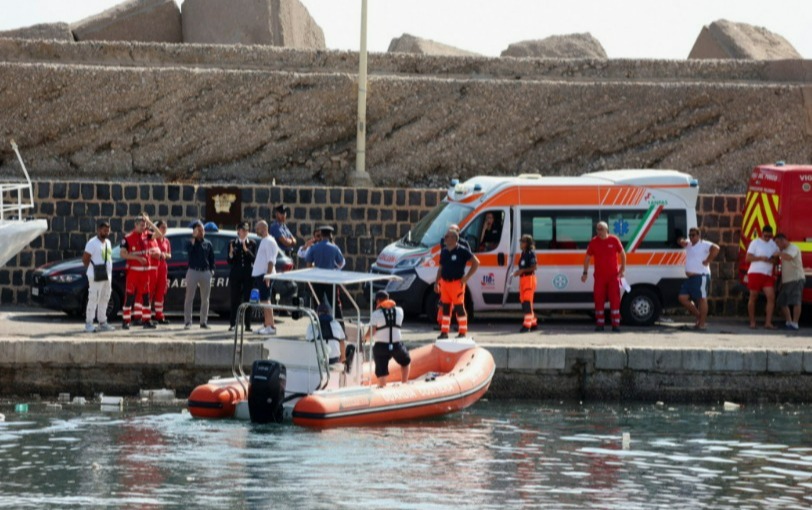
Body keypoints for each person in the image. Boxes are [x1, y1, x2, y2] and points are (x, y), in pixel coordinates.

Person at [581, 221, 626, 332]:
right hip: (600, 277)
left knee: (615, 300)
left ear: (607, 230)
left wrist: (623, 268)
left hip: (613, 277)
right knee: (598, 300)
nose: (599, 231)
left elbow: (622, 254)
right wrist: (585, 272)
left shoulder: (614, 240)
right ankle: (600, 324)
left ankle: (616, 325)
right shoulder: (594, 242)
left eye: (601, 229)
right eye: (597, 229)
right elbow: (587, 258)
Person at [435, 229, 480, 339]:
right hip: (445, 283)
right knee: (445, 307)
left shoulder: (462, 250)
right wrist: (437, 282)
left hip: (456, 283)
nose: (444, 239)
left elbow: (476, 262)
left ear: (454, 239)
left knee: (459, 307)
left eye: (447, 237)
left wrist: (467, 277)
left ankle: (462, 332)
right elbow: (440, 268)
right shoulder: (444, 251)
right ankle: (444, 331)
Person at [120, 215, 161, 330]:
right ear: (136, 225)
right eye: (142, 225)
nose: (144, 227)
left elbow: (159, 234)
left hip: (145, 272)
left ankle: (147, 320)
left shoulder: (147, 235)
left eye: (145, 225)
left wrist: (150, 222)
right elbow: (122, 254)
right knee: (129, 297)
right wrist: (138, 259)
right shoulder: (128, 238)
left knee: (146, 297)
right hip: (134, 272)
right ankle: (126, 321)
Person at [677, 227, 720, 330]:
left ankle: (701, 323)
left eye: (693, 235)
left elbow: (716, 248)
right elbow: (679, 241)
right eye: (690, 235)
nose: (691, 237)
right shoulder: (689, 244)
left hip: (701, 276)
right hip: (691, 278)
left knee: (702, 299)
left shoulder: (704, 244)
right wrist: (682, 241)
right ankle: (698, 315)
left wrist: (708, 260)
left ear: (698, 235)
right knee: (682, 297)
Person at [367, 291, 410, 388]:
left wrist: (364, 337)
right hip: (396, 345)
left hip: (380, 347)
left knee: (381, 371)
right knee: (405, 361)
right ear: (388, 298)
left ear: (377, 301)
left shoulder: (376, 314)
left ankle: (382, 387)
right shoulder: (400, 311)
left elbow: (371, 333)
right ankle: (404, 384)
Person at [305, 225, 346, 318]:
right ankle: (340, 324)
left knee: (317, 302)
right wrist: (334, 269)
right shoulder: (334, 248)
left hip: (317, 278)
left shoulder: (314, 247)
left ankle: (318, 323)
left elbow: (308, 264)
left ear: (322, 234)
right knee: (334, 303)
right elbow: (341, 263)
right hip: (330, 279)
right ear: (330, 235)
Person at [82, 221, 115, 333]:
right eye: (104, 229)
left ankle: (102, 322)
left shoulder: (108, 242)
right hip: (95, 274)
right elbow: (85, 259)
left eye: (108, 230)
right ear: (99, 230)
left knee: (105, 297)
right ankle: (89, 323)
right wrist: (92, 269)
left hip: (107, 275)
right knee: (93, 298)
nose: (106, 232)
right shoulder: (92, 243)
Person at [183, 220, 215, 330]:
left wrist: (212, 270)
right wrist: (193, 238)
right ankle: (188, 322)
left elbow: (211, 258)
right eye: (199, 230)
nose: (201, 232)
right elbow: (189, 251)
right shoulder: (190, 242)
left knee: (205, 299)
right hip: (193, 271)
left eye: (202, 230)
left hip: (205, 272)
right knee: (189, 298)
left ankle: (203, 322)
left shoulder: (208, 243)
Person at [746, 226, 779, 329]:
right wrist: (760, 258)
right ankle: (752, 321)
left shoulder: (774, 245)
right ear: (762, 233)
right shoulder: (755, 243)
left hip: (767, 274)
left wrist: (771, 260)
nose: (767, 238)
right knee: (753, 296)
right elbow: (748, 258)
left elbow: (776, 261)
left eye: (770, 236)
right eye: (766, 235)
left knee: (771, 297)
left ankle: (768, 322)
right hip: (755, 273)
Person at [228, 221, 257, 332]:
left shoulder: (252, 243)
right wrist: (231, 254)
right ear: (238, 231)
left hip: (248, 275)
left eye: (246, 230)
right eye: (243, 230)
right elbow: (229, 261)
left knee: (247, 299)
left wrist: (246, 250)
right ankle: (233, 323)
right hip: (236, 275)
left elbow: (254, 258)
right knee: (235, 299)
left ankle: (248, 324)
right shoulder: (232, 243)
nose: (245, 232)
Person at [252, 220, 279, 335]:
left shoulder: (269, 241)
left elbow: (271, 260)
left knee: (266, 300)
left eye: (257, 228)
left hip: (265, 274)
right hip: (261, 274)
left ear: (263, 228)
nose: (256, 230)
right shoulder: (265, 241)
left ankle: (271, 326)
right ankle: (266, 324)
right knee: (263, 300)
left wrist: (267, 275)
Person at [775, 232, 804, 330]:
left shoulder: (793, 248)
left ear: (783, 240)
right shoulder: (784, 251)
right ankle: (789, 322)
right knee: (781, 301)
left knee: (796, 301)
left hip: (796, 278)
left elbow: (789, 257)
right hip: (787, 280)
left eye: (778, 243)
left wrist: (778, 253)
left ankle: (795, 323)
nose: (777, 246)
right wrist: (781, 282)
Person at [514, 234, 538, 333]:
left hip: (529, 279)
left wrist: (522, 270)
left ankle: (527, 325)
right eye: (521, 241)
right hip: (523, 279)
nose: (521, 243)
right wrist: (519, 272)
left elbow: (534, 267)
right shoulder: (523, 253)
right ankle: (533, 323)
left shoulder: (531, 253)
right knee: (525, 302)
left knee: (527, 302)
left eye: (523, 241)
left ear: (527, 243)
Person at [148, 220, 171, 325]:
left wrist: (164, 254)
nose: (164, 229)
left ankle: (159, 315)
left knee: (160, 293)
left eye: (165, 227)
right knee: (150, 292)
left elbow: (169, 255)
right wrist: (158, 254)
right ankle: (147, 316)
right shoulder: (152, 239)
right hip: (153, 268)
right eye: (162, 227)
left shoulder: (166, 241)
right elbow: (148, 252)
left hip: (163, 268)